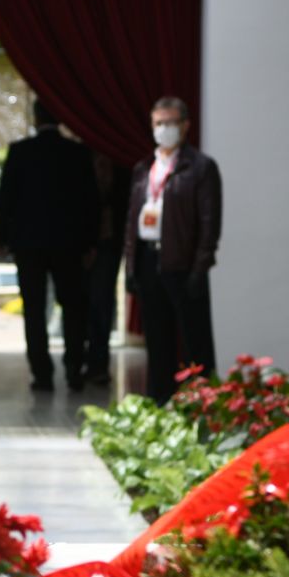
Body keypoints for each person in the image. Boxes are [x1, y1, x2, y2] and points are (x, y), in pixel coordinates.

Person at [0, 100, 98, 391]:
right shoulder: (77, 153)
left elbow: (5, 200)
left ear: (35, 118)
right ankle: (75, 368)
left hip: (29, 245)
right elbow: (90, 201)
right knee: (73, 307)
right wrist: (91, 243)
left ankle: (42, 374)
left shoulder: (20, 151)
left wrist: (0, 239)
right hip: (70, 245)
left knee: (35, 310)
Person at [125, 96, 220, 403]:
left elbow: (209, 223)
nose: (164, 129)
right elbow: (132, 221)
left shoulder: (200, 168)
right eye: (158, 123)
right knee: (158, 342)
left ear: (185, 125)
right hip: (150, 261)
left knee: (195, 345)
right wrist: (130, 267)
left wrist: (199, 267)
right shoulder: (144, 169)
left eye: (170, 123)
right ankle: (160, 405)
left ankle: (201, 409)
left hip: (184, 264)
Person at [82, 146, 130, 385]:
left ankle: (98, 361)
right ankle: (80, 359)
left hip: (109, 242)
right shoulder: (80, 157)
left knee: (102, 303)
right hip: (80, 245)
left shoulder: (121, 161)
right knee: (80, 303)